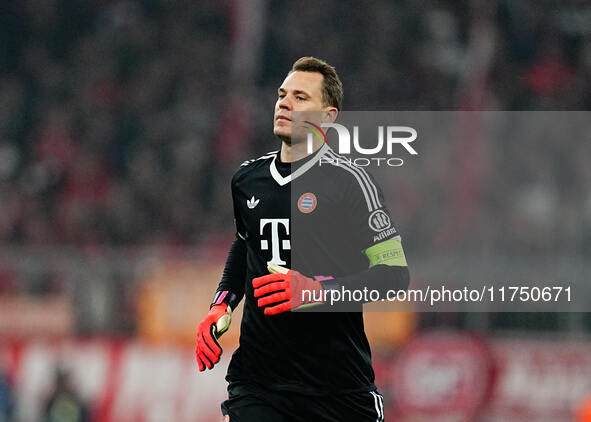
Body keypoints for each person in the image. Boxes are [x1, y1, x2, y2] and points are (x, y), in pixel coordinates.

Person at [195, 56, 410, 422]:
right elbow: (245, 244)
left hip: (336, 389)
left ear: (328, 117)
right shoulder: (248, 178)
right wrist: (222, 303)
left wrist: (318, 291)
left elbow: (393, 274)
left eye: (300, 97)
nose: (284, 102)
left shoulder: (351, 184)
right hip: (259, 385)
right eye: (282, 94)